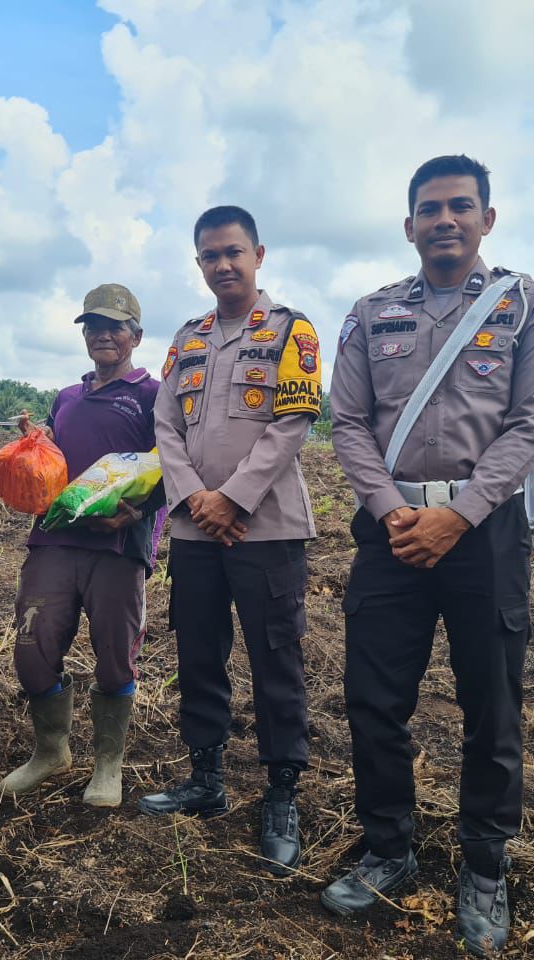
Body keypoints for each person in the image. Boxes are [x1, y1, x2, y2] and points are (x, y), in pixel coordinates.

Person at [321, 156, 534, 953]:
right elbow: (348, 424)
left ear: (487, 219)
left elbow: (532, 426)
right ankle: (388, 847)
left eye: (461, 207)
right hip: (390, 532)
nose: (445, 221)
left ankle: (485, 866)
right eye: (430, 209)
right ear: (409, 225)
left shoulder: (532, 307)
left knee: (491, 705)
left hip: (485, 535)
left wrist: (458, 516)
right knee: (372, 699)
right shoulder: (370, 313)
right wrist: (394, 510)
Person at [141, 206, 322, 877]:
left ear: (258, 255)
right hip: (194, 528)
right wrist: (194, 499)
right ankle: (206, 778)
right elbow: (165, 422)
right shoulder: (186, 340)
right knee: (199, 653)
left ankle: (280, 796)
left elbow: (293, 420)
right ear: (199, 264)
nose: (223, 265)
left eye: (234, 252)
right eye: (211, 255)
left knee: (276, 661)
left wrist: (233, 499)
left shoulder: (289, 331)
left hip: (266, 526)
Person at [0, 283, 163, 808]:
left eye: (114, 326)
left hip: (117, 547)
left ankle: (107, 763)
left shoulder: (152, 395)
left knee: (115, 656)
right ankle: (51, 751)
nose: (103, 335)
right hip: (55, 538)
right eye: (93, 326)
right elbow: (58, 462)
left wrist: (135, 512)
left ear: (136, 335)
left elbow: (172, 464)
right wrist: (35, 446)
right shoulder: (68, 396)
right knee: (32, 647)